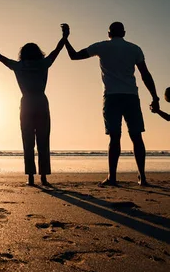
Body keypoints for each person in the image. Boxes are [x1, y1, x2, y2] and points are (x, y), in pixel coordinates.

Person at [63, 22, 159, 186]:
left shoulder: (102, 47)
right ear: (124, 33)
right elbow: (145, 74)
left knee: (115, 137)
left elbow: (74, 56)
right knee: (137, 136)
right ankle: (142, 177)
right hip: (131, 96)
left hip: (112, 96)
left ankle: (112, 177)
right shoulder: (135, 48)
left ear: (109, 33)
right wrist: (155, 97)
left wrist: (65, 39)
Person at [0, 26, 67, 186]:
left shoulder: (18, 66)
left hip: (27, 102)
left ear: (23, 54)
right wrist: (64, 37)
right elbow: (57, 50)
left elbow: (0, 57)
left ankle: (30, 177)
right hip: (41, 102)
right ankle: (43, 177)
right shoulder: (43, 64)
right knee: (43, 140)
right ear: (38, 53)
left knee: (27, 141)